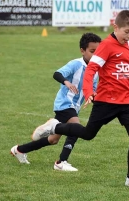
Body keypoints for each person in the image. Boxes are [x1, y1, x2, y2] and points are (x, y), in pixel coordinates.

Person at [31, 10, 129, 188]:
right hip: (106, 101)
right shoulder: (106, 46)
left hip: (126, 101)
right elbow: (91, 70)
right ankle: (54, 126)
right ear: (116, 27)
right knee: (88, 134)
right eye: (126, 32)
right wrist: (89, 92)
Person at [10, 33, 102, 171]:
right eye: (92, 51)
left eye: (98, 52)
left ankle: (19, 150)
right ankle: (61, 162)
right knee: (76, 128)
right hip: (64, 103)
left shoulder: (96, 71)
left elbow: (92, 90)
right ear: (82, 51)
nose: (95, 55)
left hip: (74, 107)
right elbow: (57, 73)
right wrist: (67, 82)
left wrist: (95, 99)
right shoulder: (76, 64)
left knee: (53, 140)